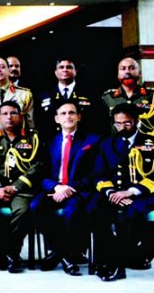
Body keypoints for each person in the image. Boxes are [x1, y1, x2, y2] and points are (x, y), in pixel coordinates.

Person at [32, 100, 100, 276]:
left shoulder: (92, 140)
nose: (68, 116)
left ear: (79, 117)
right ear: (56, 119)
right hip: (54, 190)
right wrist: (55, 187)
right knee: (36, 207)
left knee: (72, 212)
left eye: (71, 113)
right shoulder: (49, 142)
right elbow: (42, 172)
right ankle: (64, 256)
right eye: (63, 113)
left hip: (78, 191)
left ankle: (61, 255)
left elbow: (94, 173)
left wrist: (69, 187)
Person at [0, 101, 43, 274]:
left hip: (21, 189)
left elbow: (38, 166)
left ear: (20, 116)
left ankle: (10, 253)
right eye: (4, 114)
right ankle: (1, 253)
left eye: (13, 113)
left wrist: (15, 187)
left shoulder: (33, 137)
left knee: (22, 211)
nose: (9, 117)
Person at [90, 103, 154, 281]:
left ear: (136, 121)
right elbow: (98, 174)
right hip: (114, 193)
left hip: (144, 194)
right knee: (94, 209)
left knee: (127, 215)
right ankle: (103, 259)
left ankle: (118, 266)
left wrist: (131, 192)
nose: (122, 127)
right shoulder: (107, 143)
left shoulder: (150, 142)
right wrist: (110, 192)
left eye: (127, 123)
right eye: (118, 123)